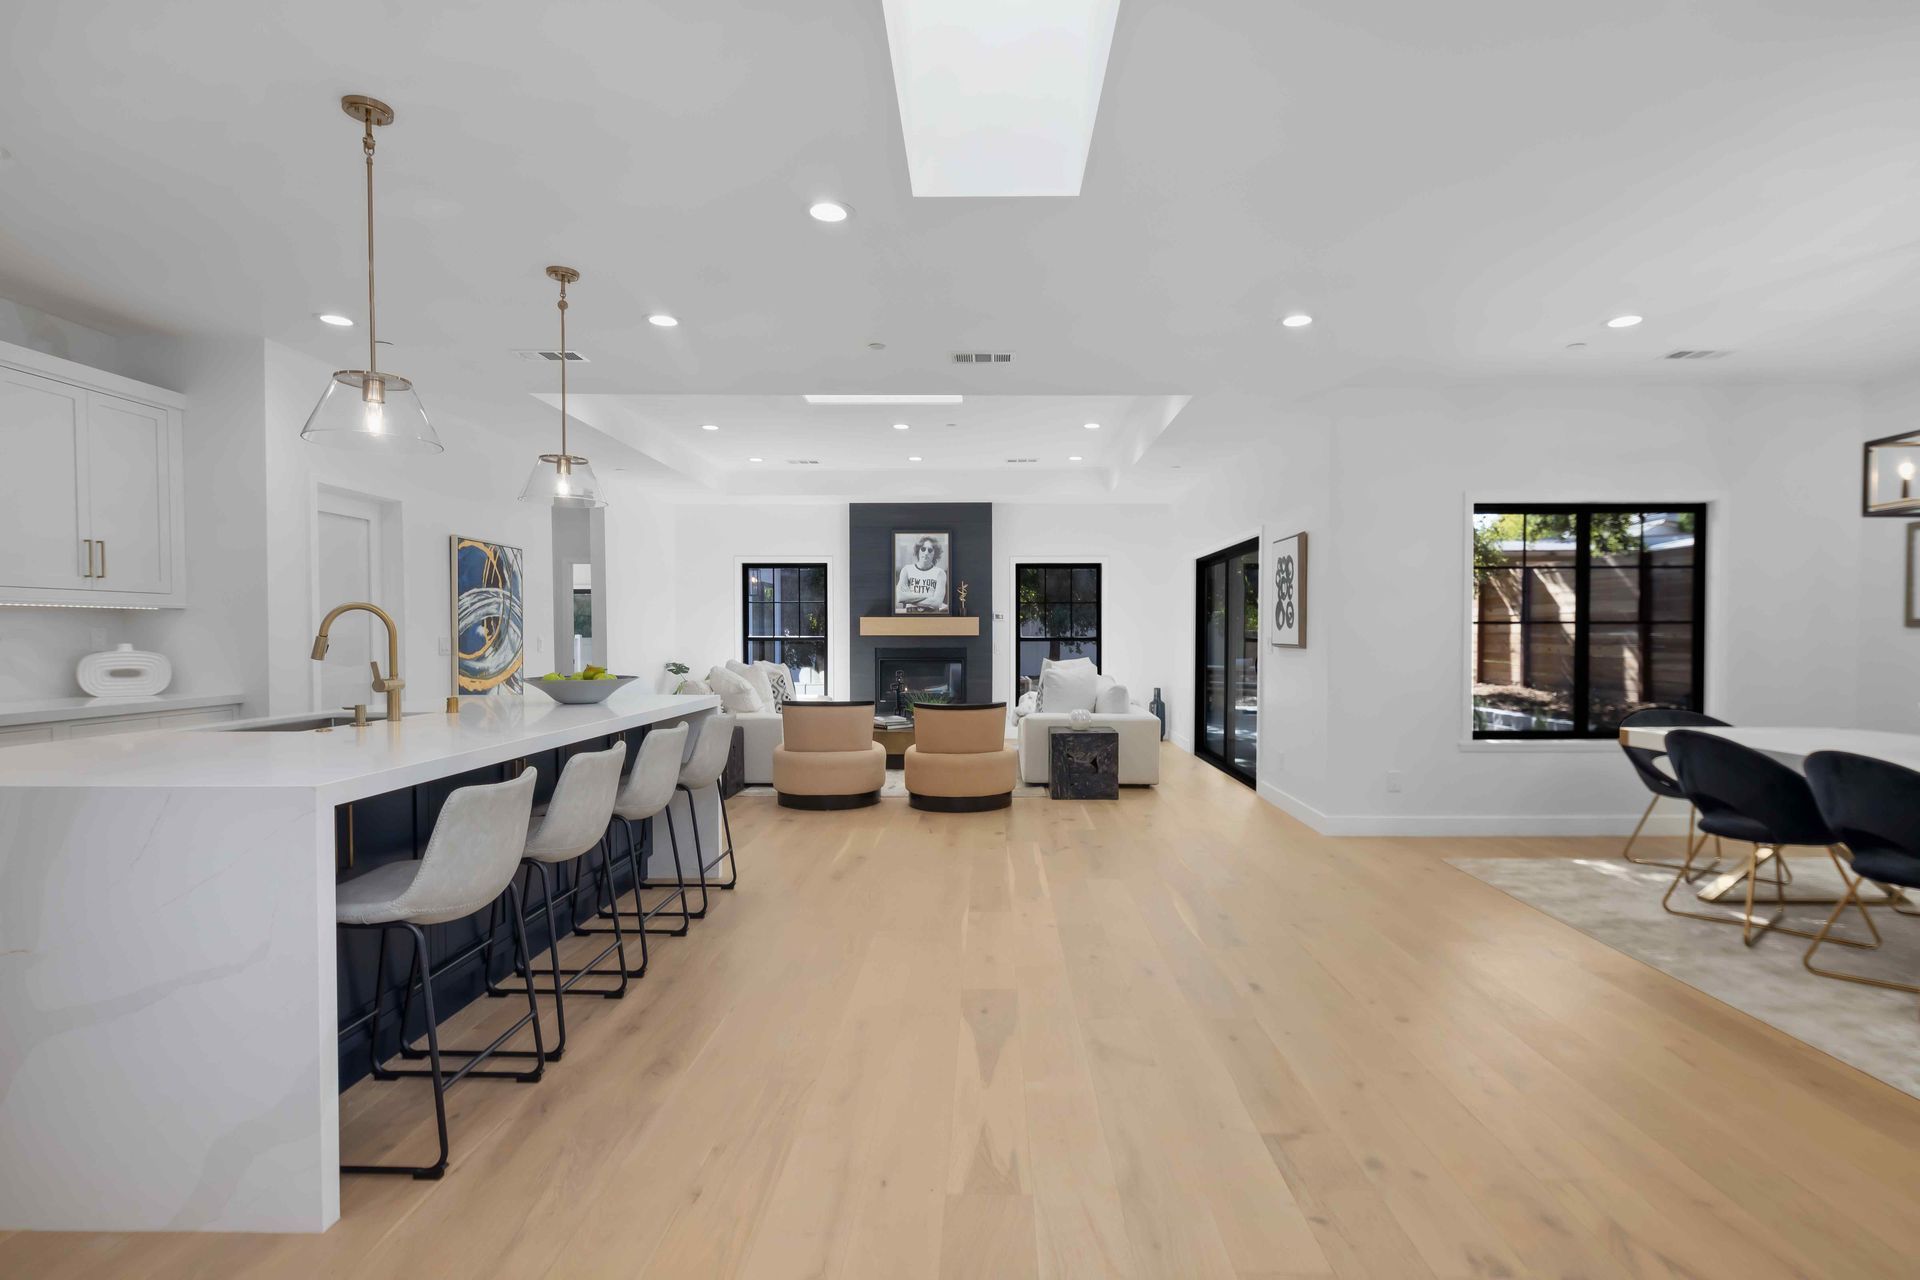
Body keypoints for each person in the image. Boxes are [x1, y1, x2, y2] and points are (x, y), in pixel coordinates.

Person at [894, 536, 948, 613]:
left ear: (934, 553)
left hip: (932, 616)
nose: (926, 553)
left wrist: (909, 599)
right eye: (923, 549)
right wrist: (928, 597)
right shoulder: (907, 570)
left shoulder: (940, 573)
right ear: (918, 550)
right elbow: (901, 597)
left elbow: (937, 602)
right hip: (910, 615)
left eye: (930, 550)